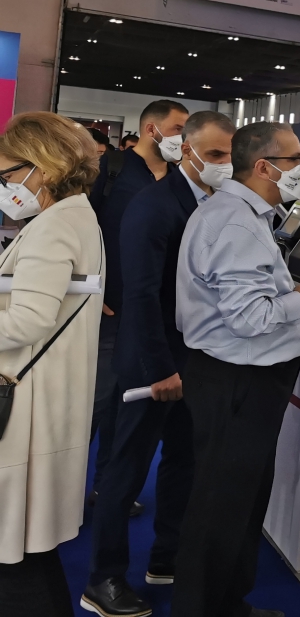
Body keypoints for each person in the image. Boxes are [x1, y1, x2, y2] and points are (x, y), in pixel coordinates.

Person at [83, 112, 235, 617]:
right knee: (125, 472)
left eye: (229, 154)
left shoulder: (213, 203)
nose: (224, 164)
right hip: (152, 362)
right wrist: (159, 369)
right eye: (214, 155)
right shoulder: (154, 206)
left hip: (195, 359)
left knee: (183, 463)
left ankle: (167, 557)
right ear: (187, 150)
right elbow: (143, 295)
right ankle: (103, 579)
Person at [173, 122, 300, 617]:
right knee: (220, 506)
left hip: (241, 378)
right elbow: (249, 318)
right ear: (263, 166)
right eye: (295, 159)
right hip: (237, 379)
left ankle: (228, 603)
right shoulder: (235, 222)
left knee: (240, 501)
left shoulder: (241, 214)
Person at [0, 113, 104, 616]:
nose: (4, 187)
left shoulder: (53, 225)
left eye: (6, 175)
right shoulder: (73, 215)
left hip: (27, 403)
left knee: (17, 556)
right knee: (27, 552)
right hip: (42, 396)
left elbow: (28, 320)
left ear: (41, 167)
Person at [90, 100, 188, 507]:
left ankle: (107, 487)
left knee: (129, 409)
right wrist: (92, 290)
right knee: (94, 404)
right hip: (110, 309)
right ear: (152, 130)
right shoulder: (110, 169)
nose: (184, 138)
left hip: (155, 315)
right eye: (179, 129)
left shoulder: (180, 180)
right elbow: (82, 228)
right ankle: (61, 493)